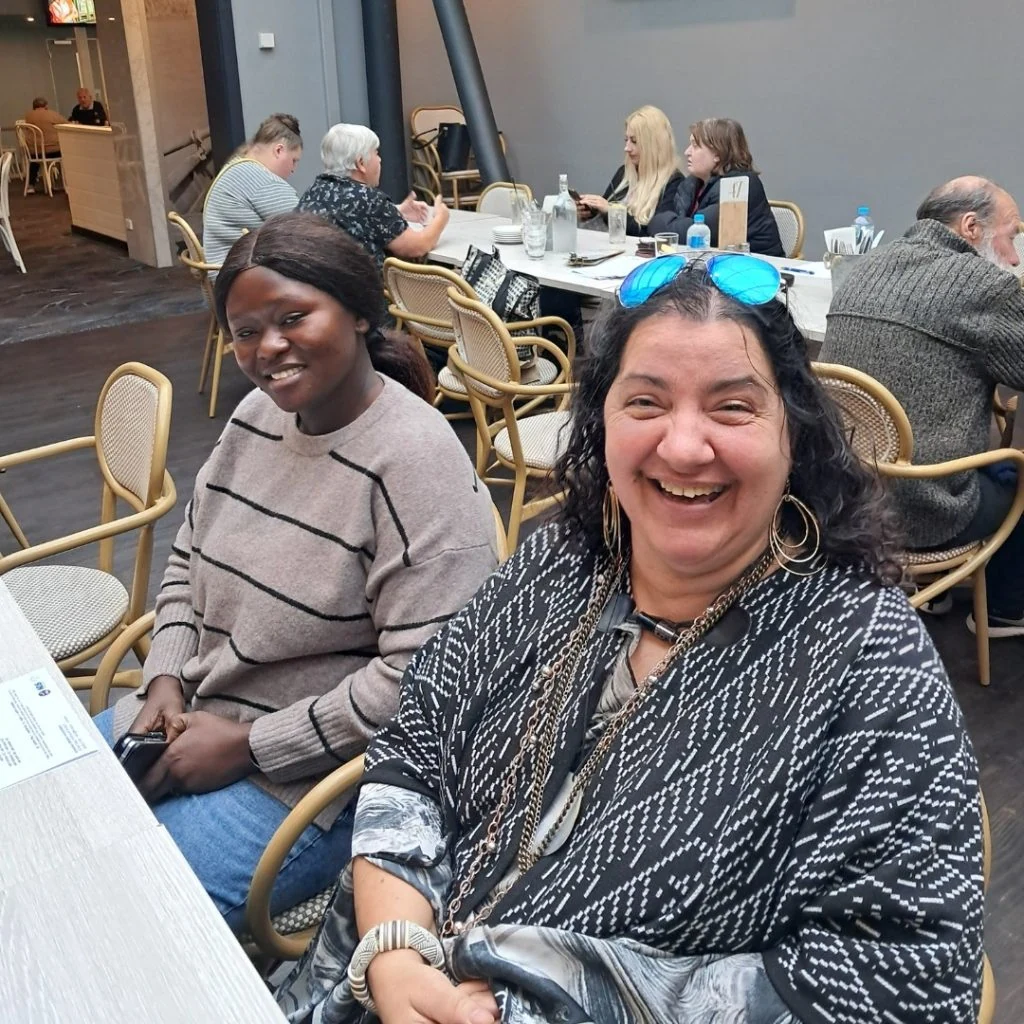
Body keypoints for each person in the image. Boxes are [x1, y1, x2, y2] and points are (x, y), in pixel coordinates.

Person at [276, 255, 983, 1023]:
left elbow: (902, 976)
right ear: (603, 420)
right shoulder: (557, 564)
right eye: (646, 401)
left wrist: (546, 1000)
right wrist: (395, 949)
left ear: (794, 430)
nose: (683, 447)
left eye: (733, 407)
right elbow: (416, 744)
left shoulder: (866, 660)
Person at [93, 211, 499, 932]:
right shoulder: (255, 418)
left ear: (361, 312)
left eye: (292, 317)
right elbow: (189, 558)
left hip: (318, 784)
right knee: (40, 811)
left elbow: (427, 679)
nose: (267, 348)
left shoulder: (413, 461)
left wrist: (250, 746)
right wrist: (162, 680)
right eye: (246, 331)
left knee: (124, 915)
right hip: (193, 719)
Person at [821, 175, 1024, 635]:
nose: (1013, 257)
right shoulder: (984, 285)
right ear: (971, 226)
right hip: (926, 513)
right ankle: (1003, 611)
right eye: (1012, 237)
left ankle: (923, 586)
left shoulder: (869, 266)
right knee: (1016, 469)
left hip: (844, 496)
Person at [298, 123, 449, 269]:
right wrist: (440, 218)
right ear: (361, 163)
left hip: (318, 287)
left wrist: (396, 212)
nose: (380, 159)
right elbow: (416, 247)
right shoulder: (368, 199)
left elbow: (348, 217)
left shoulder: (314, 191)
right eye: (376, 153)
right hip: (358, 291)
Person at [649, 118, 784, 256]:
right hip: (711, 261)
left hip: (759, 267)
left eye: (695, 146)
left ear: (718, 154)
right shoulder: (690, 184)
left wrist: (666, 224)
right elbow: (662, 224)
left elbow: (697, 233)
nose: (687, 152)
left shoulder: (740, 186)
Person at [202, 113, 303, 270]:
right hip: (244, 279)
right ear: (279, 150)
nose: (293, 169)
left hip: (229, 275)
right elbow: (304, 231)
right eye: (294, 160)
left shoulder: (237, 168)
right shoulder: (260, 180)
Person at [578, 105, 683, 237]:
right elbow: (606, 209)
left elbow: (655, 234)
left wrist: (612, 211)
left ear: (652, 145)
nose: (627, 148)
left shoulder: (674, 184)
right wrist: (592, 211)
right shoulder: (624, 173)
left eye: (634, 141)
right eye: (626, 140)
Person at [21, 97, 64, 193]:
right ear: (46, 106)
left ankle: (31, 185)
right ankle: (66, 181)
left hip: (35, 152)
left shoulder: (29, 116)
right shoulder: (52, 114)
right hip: (53, 151)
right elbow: (65, 123)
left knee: (34, 162)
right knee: (66, 156)